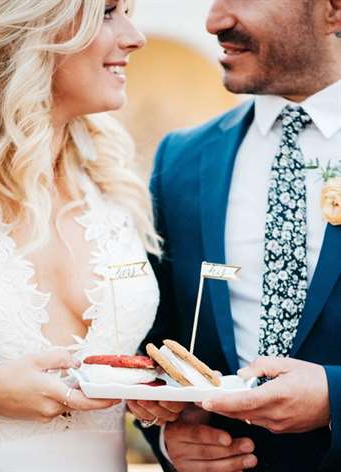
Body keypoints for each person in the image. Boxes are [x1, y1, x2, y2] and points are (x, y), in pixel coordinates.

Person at [129, 0, 341, 470]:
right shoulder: (180, 160)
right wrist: (170, 438)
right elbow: (153, 333)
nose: (215, 22)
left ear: (333, 11)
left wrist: (334, 398)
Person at [0, 0, 160, 470]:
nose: (135, 36)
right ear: (33, 24)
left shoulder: (115, 186)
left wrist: (166, 411)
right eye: (107, 12)